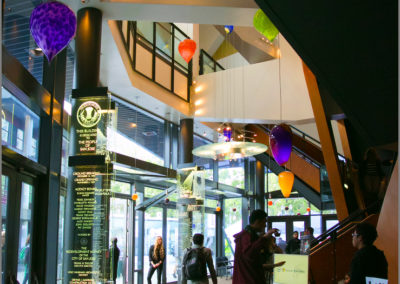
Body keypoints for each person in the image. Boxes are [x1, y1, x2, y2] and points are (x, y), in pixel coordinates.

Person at [232, 209, 282, 284]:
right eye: (264, 222)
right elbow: (249, 254)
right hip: (247, 280)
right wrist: (265, 237)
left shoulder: (251, 237)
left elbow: (253, 263)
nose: (265, 225)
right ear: (257, 221)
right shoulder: (245, 237)